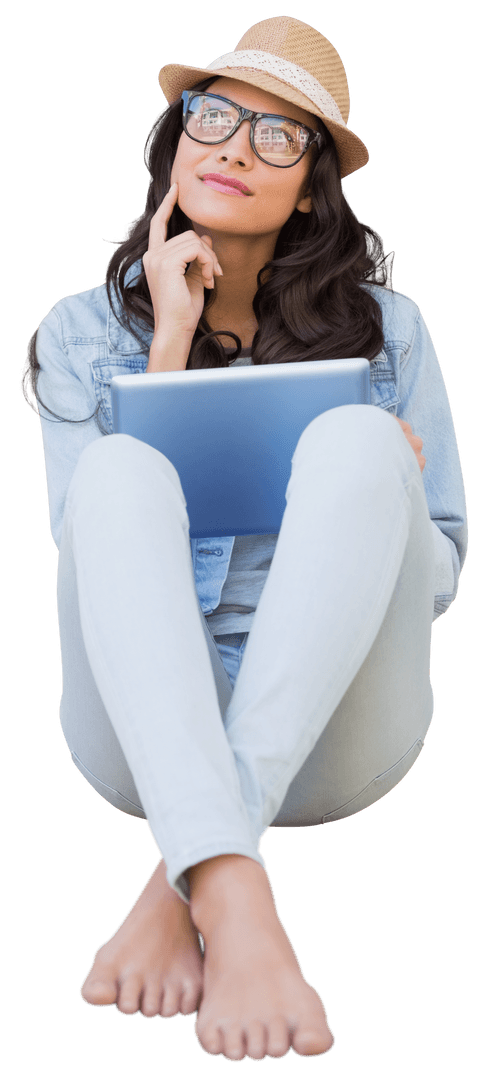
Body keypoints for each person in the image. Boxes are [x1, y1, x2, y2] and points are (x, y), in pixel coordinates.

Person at [20, 15, 467, 1064]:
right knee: (117, 471)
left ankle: (186, 882)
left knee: (361, 440)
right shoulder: (78, 333)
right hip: (134, 742)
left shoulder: (390, 330)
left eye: (276, 135)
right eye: (212, 117)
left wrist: (387, 496)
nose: (232, 148)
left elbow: (440, 569)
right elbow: (93, 561)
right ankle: (240, 902)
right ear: (177, 141)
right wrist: (168, 348)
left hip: (337, 740)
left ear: (311, 186)